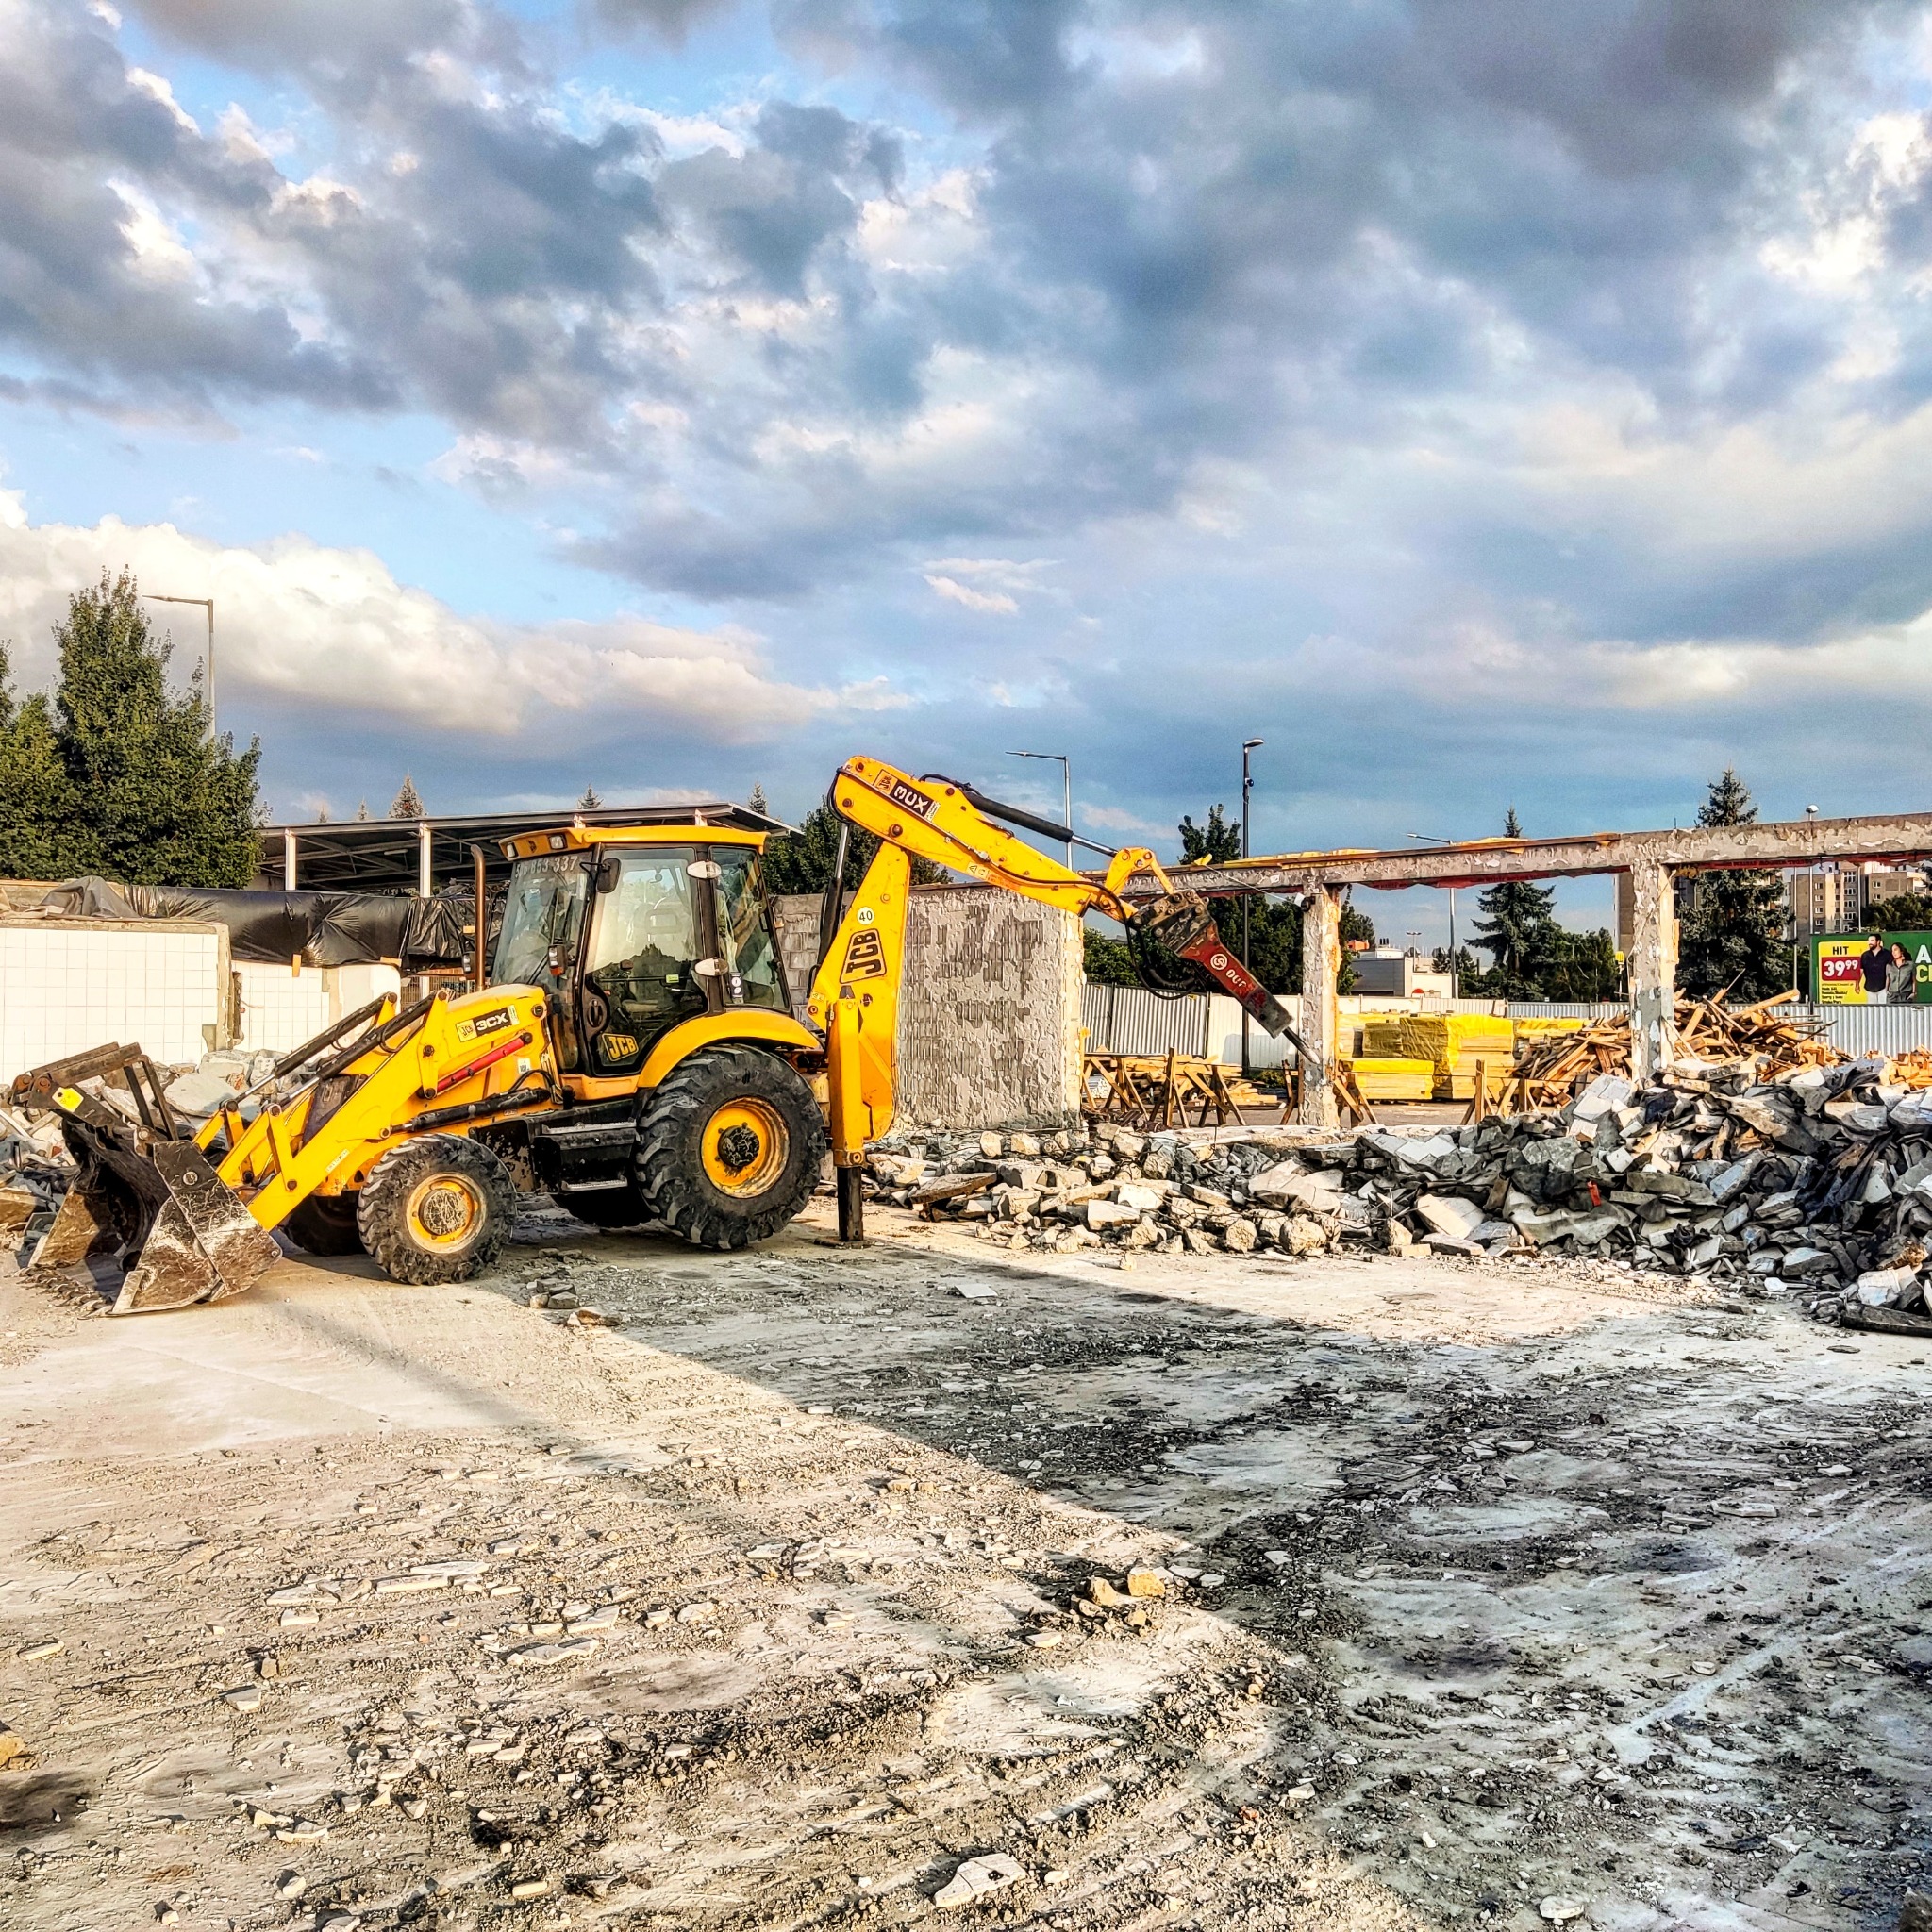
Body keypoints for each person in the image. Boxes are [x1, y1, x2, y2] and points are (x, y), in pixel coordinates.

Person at [1861, 931, 1891, 1002]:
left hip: (1883, 988)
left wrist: (1888, 987)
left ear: (1878, 941)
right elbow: (1861, 970)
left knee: (1883, 1007)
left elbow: (1891, 971)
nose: (1869, 943)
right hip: (1869, 987)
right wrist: (1857, 984)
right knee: (1872, 1008)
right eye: (1869, 941)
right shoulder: (1865, 955)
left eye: (1872, 940)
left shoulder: (1887, 954)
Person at [1889, 941, 1915, 1006]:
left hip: (1906, 996)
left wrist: (1913, 993)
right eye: (1892, 951)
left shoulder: (1910, 965)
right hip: (1892, 997)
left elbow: (1914, 980)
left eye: (1895, 950)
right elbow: (1887, 979)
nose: (1893, 952)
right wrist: (1887, 992)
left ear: (1901, 951)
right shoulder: (1889, 966)